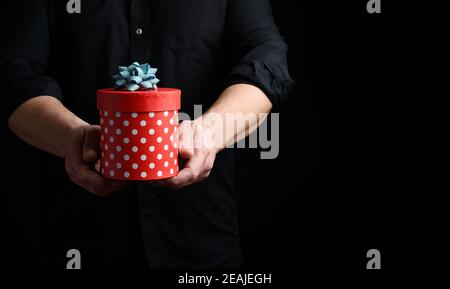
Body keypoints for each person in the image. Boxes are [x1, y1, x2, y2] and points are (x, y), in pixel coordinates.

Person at [0, 0, 294, 269]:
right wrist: (72, 137)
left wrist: (210, 132)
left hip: (202, 239)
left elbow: (267, 56)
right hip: (79, 238)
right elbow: (12, 72)